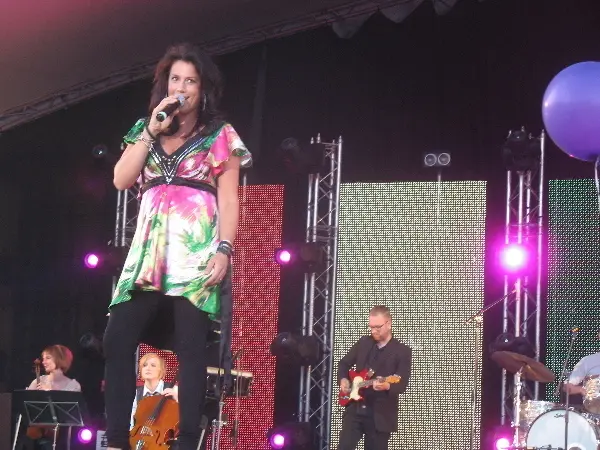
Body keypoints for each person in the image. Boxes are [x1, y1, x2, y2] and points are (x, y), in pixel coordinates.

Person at [103, 42, 252, 450]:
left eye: (190, 80)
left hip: (195, 255)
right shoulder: (146, 128)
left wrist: (224, 248)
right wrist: (151, 129)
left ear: (203, 89)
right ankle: (116, 440)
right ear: (164, 85)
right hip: (148, 256)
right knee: (116, 340)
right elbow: (120, 179)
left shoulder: (219, 134)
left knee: (190, 351)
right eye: (175, 79)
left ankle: (187, 442)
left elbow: (228, 198)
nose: (182, 87)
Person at [337, 305, 412, 450]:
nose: (374, 331)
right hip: (355, 409)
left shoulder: (402, 351)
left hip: (380, 416)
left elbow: (402, 383)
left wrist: (388, 385)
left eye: (377, 327)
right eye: (371, 327)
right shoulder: (364, 342)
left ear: (389, 324)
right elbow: (344, 363)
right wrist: (343, 379)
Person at [18, 345, 81, 450]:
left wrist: (50, 392)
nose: (43, 362)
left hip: (63, 436)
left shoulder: (74, 386)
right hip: (37, 435)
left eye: (48, 358)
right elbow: (25, 409)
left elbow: (70, 416)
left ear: (60, 358)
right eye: (43, 359)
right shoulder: (38, 381)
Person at [130, 353, 178, 430]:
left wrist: (176, 399)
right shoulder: (135, 393)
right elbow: (131, 422)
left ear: (161, 370)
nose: (148, 368)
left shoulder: (174, 389)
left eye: (153, 365)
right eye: (144, 365)